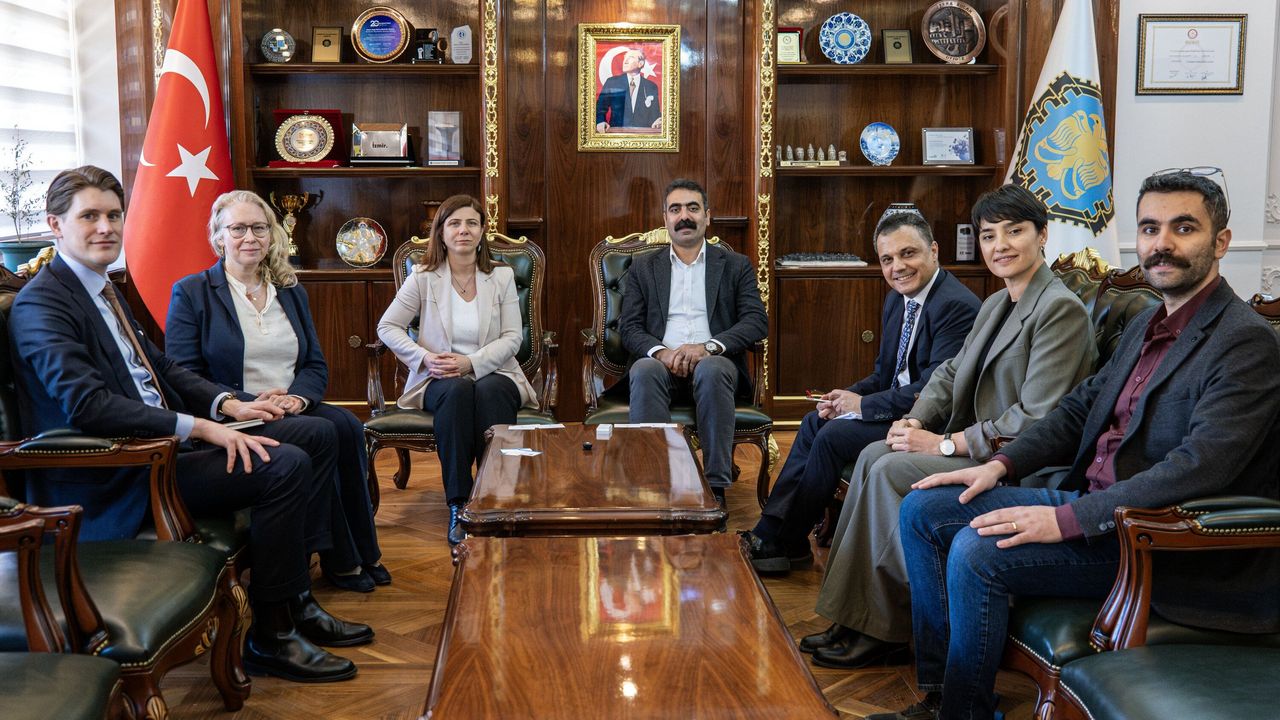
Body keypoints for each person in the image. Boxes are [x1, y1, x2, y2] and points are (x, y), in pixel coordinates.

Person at [873, 170, 1280, 720]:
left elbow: (1198, 468)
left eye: (1183, 228)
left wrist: (1065, 521)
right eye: (1150, 228)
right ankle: (943, 693)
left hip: (1154, 537)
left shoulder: (1244, 341)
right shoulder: (1149, 322)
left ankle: (963, 713)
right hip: (1093, 503)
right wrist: (999, 464)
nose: (1162, 243)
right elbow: (1075, 410)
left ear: (1222, 242)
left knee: (976, 551)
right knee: (924, 509)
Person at [9, 166, 370, 683]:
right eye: (89, 216)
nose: (106, 227)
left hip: (162, 447)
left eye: (114, 215)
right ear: (55, 224)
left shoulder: (102, 289)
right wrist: (200, 427)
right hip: (121, 470)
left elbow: (163, 367)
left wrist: (230, 405)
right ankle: (272, 634)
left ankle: (297, 601)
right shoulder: (42, 303)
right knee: (284, 465)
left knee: (315, 431)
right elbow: (88, 405)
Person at [805, 184, 1097, 671]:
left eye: (1014, 232)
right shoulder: (997, 302)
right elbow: (948, 373)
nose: (1000, 245)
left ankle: (883, 628)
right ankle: (853, 617)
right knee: (875, 454)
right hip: (976, 445)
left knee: (888, 469)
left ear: (1043, 235)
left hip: (1015, 462)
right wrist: (915, 418)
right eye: (989, 235)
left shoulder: (1058, 309)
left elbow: (1037, 417)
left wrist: (944, 442)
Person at [167, 189, 388, 593]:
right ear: (218, 236)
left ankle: (360, 550)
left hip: (289, 404)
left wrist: (296, 398)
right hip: (235, 414)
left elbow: (315, 364)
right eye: (238, 229)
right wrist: (246, 403)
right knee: (322, 432)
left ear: (271, 235)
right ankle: (327, 558)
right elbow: (183, 374)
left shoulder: (289, 290)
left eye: (259, 228)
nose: (249, 237)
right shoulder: (193, 292)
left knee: (347, 425)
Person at [740, 212, 981, 573]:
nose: (898, 267)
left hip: (930, 422)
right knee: (814, 422)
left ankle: (785, 542)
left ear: (933, 251)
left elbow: (934, 391)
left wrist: (864, 405)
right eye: (887, 259)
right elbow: (886, 374)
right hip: (899, 410)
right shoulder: (897, 299)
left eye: (908, 253)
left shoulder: (955, 306)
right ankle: (776, 534)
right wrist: (844, 397)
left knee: (833, 436)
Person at [377, 194, 538, 546]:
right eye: (454, 223)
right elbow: (387, 327)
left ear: (482, 231)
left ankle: (497, 499)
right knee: (457, 389)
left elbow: (513, 337)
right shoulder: (423, 277)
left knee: (490, 389)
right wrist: (424, 358)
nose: (463, 230)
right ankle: (459, 503)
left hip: (496, 372)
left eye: (471, 223)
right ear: (441, 232)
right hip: (439, 378)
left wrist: (471, 363)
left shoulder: (501, 276)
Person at [619, 178, 768, 506]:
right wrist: (662, 353)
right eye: (675, 209)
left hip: (715, 365)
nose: (684, 216)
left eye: (692, 208)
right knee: (643, 369)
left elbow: (756, 321)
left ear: (707, 216)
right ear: (665, 219)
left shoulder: (735, 265)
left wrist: (707, 348)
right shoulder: (644, 267)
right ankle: (655, 485)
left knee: (712, 369)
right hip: (661, 366)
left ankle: (714, 490)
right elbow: (629, 327)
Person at [595, 48, 662, 132]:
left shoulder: (651, 86)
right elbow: (600, 108)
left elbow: (655, 115)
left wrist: (658, 121)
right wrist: (600, 122)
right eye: (624, 58)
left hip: (643, 135)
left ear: (640, 64)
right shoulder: (612, 82)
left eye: (630, 58)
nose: (625, 61)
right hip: (617, 134)